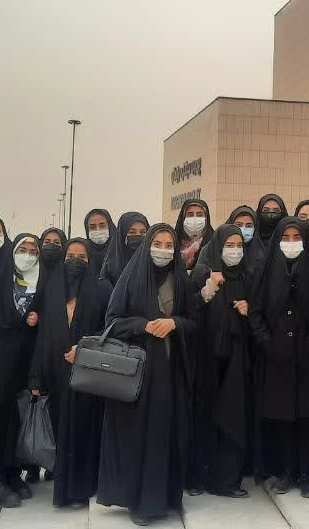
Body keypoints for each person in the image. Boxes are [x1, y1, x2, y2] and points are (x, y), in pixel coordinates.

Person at [97, 224, 200, 526]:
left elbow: (194, 321)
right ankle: (138, 501)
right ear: (147, 245)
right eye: (158, 243)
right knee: (138, 437)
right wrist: (142, 325)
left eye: (169, 245)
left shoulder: (180, 279)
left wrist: (174, 323)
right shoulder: (131, 277)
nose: (163, 250)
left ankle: (162, 498)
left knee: (163, 435)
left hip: (170, 373)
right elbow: (112, 321)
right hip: (137, 375)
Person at [250, 217, 309, 499]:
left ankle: (306, 476)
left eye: (296, 237)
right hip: (276, 358)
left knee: (308, 418)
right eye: (285, 238)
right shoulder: (265, 269)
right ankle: (286, 473)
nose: (291, 243)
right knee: (282, 418)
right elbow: (255, 312)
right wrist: (267, 341)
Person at [28, 238, 113, 509]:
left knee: (85, 429)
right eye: (70, 256)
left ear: (90, 260)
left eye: (82, 257)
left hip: (89, 372)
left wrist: (84, 347)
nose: (75, 261)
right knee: (62, 430)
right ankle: (64, 489)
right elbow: (42, 335)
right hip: (57, 372)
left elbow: (110, 327)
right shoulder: (52, 288)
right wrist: (35, 377)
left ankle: (81, 489)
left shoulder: (102, 288)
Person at [0, 231, 43, 507]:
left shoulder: (40, 281)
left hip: (25, 362)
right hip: (1, 361)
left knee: (18, 419)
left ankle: (14, 473)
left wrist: (38, 317)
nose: (27, 256)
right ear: (13, 253)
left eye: (33, 251)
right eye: (22, 250)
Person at [188, 224, 258, 498]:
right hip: (205, 359)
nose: (235, 251)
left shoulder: (249, 276)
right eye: (229, 245)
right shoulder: (203, 274)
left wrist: (250, 311)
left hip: (237, 361)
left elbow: (263, 316)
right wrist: (207, 292)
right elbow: (188, 310)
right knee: (202, 416)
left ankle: (226, 480)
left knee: (232, 416)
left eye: (239, 246)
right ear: (217, 247)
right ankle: (198, 477)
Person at [100, 212, 149, 285]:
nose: (138, 236)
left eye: (143, 232)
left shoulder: (151, 260)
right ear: (122, 235)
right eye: (132, 232)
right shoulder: (112, 264)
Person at [173, 200, 212, 272]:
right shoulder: (173, 242)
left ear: (206, 218)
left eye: (200, 215)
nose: (195, 219)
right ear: (183, 218)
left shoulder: (213, 242)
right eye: (190, 215)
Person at [84, 209, 116, 277]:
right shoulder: (84, 251)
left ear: (110, 226)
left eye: (102, 226)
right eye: (92, 227)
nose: (98, 230)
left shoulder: (118, 250)